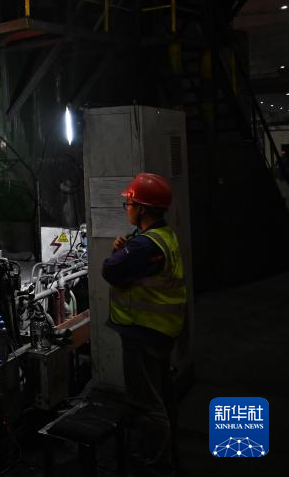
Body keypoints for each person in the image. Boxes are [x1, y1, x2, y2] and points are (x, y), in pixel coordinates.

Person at [102, 172, 187, 477]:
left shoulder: (144, 247)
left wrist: (118, 253)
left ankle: (155, 465)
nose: (127, 207)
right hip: (161, 331)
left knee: (146, 403)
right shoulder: (162, 236)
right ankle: (166, 454)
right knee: (160, 396)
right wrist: (124, 249)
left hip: (144, 333)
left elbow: (111, 271)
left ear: (142, 209)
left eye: (129, 203)